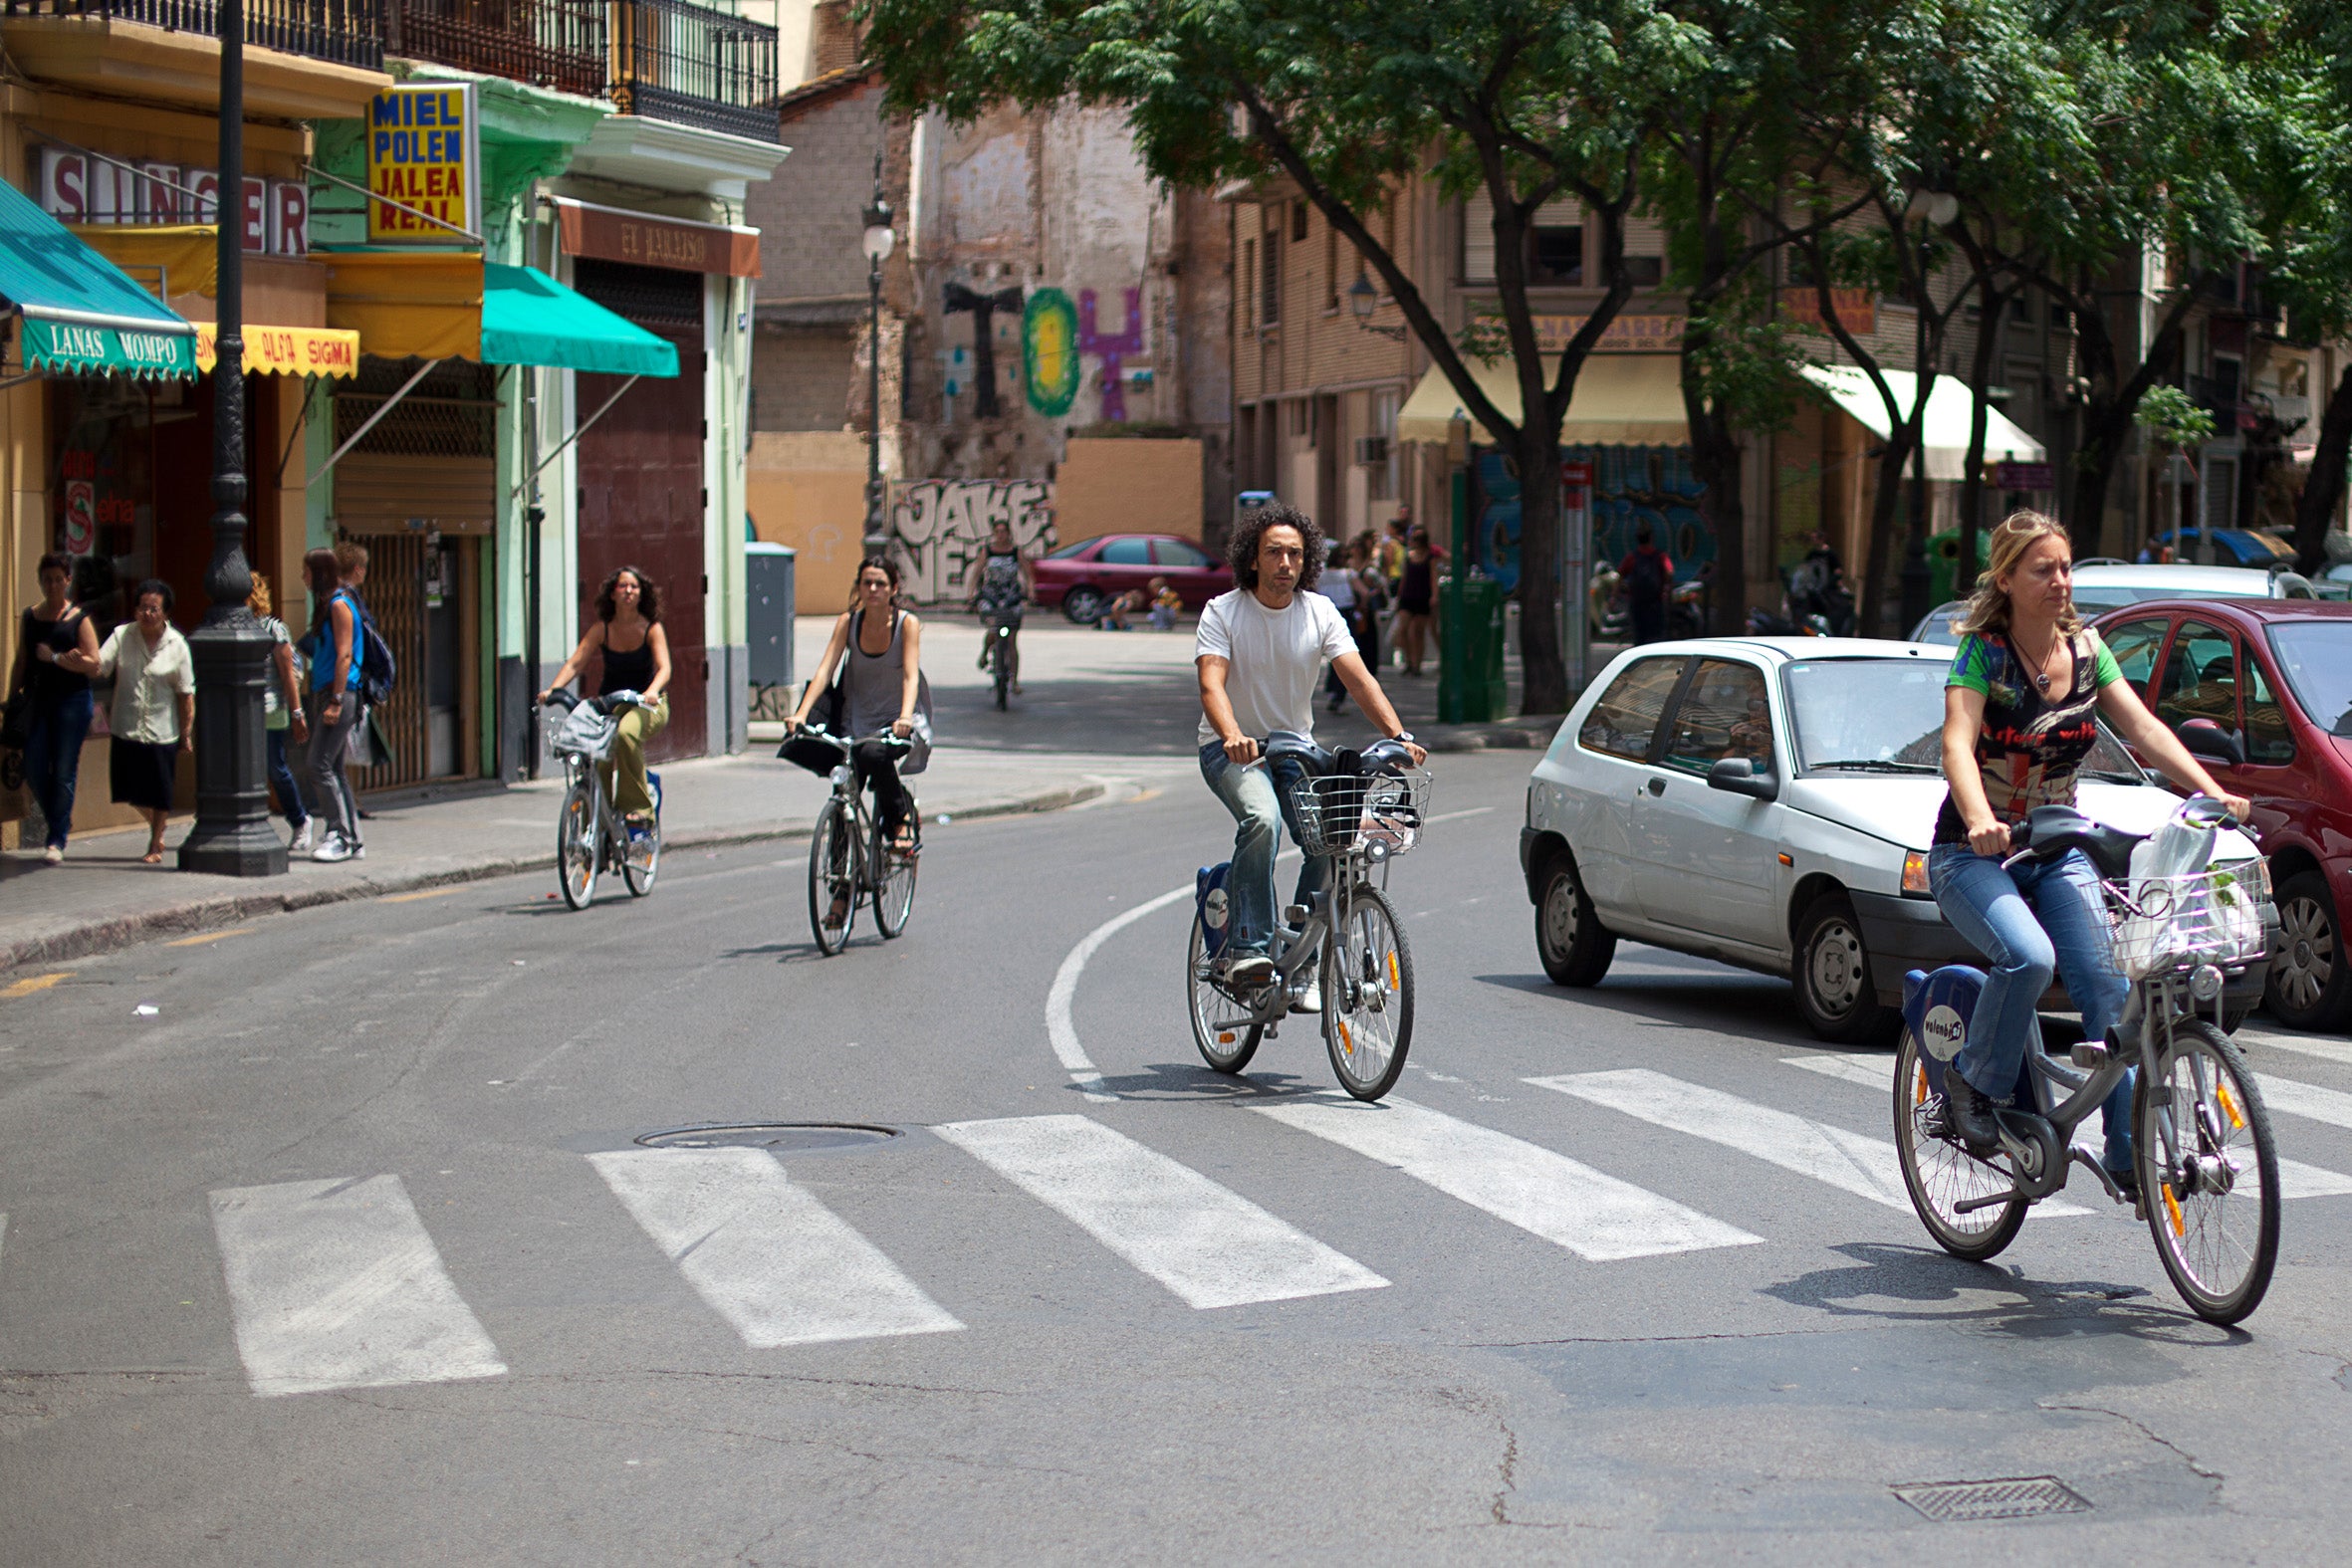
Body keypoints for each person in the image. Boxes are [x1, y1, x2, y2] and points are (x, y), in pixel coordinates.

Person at [1931, 511, 2251, 1191]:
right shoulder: (1983, 653)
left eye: (2066, 567)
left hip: (2056, 845)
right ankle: (1973, 1084)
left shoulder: (2087, 648)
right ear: (2008, 578)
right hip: (1973, 853)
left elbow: (2142, 726)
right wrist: (1982, 817)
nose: (2060, 582)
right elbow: (1957, 742)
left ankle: (2127, 1149)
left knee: (2110, 988)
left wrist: (2210, 791)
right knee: (2029, 957)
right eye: (2043, 569)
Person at [1197, 502, 1426, 996]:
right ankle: (1249, 950)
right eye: (1274, 553)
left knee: (1331, 838)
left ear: (1308, 562)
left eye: (1295, 555)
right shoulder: (1223, 611)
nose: (1285, 564)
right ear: (1253, 559)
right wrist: (1233, 734)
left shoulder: (1319, 611)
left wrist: (1397, 733)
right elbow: (1211, 684)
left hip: (1295, 751)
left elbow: (1359, 679)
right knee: (1262, 820)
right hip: (1233, 750)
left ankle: (1300, 960)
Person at [786, 557, 926, 926]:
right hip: (852, 720)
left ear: (894, 588)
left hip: (894, 721)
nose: (874, 590)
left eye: (881, 583)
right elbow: (825, 669)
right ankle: (840, 896)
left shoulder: (907, 624)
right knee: (842, 804)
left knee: (874, 754)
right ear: (859, 587)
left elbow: (911, 675)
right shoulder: (849, 623)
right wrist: (801, 713)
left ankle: (899, 819)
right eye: (867, 583)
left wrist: (906, 717)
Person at [540, 565, 672, 842]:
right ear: (612, 593)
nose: (628, 592)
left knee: (626, 733)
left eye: (634, 587)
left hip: (648, 704)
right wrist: (553, 689)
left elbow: (664, 668)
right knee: (596, 758)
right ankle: (595, 830)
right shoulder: (603, 629)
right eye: (622, 586)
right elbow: (577, 661)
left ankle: (638, 808)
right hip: (611, 704)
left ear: (641, 593)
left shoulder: (651, 628)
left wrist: (651, 691)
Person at [83, 579, 193, 864]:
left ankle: (156, 841)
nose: (147, 614)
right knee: (128, 790)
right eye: (142, 607)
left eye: (153, 609)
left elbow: (185, 695)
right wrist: (78, 658)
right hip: (126, 726)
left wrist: (186, 733)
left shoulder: (177, 645)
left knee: (160, 792)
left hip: (161, 730)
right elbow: (100, 665)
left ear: (165, 613)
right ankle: (158, 824)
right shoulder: (122, 635)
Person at [10, 553, 100, 862]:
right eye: (46, 579)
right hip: (38, 701)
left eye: (58, 579)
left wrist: (61, 659)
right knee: (33, 768)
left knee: (63, 770)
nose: (52, 585)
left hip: (72, 701)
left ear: (68, 581)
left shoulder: (79, 618)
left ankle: (56, 839)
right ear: (40, 581)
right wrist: (11, 699)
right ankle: (60, 819)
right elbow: (21, 660)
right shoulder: (31, 617)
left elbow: (94, 664)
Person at [301, 544, 368, 863]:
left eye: (307, 571)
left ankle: (340, 834)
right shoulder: (327, 605)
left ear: (320, 573)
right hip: (327, 691)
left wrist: (337, 700)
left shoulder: (339, 606)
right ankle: (352, 837)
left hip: (338, 693)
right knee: (335, 768)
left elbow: (344, 654)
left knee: (318, 765)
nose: (303, 577)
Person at [248, 572, 312, 852]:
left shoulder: (274, 629)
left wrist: (297, 714)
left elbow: (288, 675)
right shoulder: (232, 626)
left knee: (274, 767)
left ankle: (300, 820)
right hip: (244, 712)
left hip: (271, 708)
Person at [967, 519, 1032, 693]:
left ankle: (1014, 681)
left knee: (1011, 639)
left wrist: (1030, 593)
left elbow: (1027, 573)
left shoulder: (1016, 552)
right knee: (994, 630)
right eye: (998, 531)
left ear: (1009, 533)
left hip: (1011, 597)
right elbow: (977, 572)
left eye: (1004, 531)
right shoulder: (987, 551)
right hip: (991, 596)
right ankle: (985, 652)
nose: (1001, 535)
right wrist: (971, 592)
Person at [1618, 519, 1675, 645]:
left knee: (1639, 637)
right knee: (1656, 637)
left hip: (1637, 603)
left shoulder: (1632, 557)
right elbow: (1669, 572)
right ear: (1651, 538)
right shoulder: (1660, 556)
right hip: (1655, 603)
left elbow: (1620, 575)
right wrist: (1667, 588)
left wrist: (1614, 596)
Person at [1319, 539, 1359, 713]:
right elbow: (1363, 593)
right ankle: (1338, 694)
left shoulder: (1321, 574)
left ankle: (1331, 689)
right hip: (1346, 612)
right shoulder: (1349, 574)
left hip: (1326, 613)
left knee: (1332, 656)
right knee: (1344, 655)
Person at [1394, 528, 1435, 675]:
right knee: (1402, 630)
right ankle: (1409, 660)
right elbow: (1404, 578)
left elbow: (1433, 578)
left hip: (1422, 596)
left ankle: (1417, 664)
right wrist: (1399, 595)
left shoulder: (1430, 558)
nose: (1413, 541)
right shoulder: (1408, 557)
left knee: (1418, 632)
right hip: (1408, 596)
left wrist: (1434, 596)